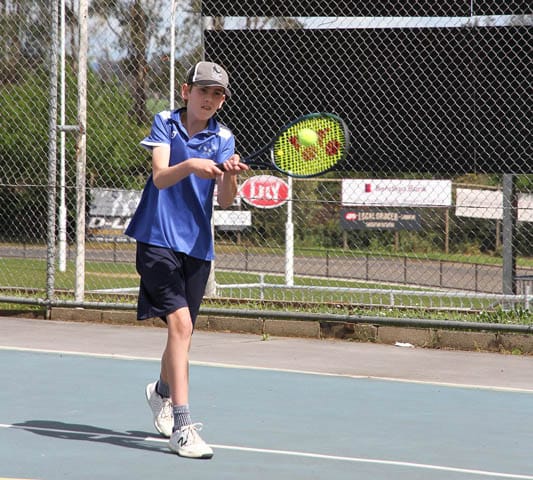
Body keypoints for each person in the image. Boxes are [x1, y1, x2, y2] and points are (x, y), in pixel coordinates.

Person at [125, 61, 248, 459]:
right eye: (202, 91)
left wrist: (229, 174)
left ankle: (161, 391)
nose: (208, 99)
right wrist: (193, 165)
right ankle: (182, 426)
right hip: (156, 238)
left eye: (217, 94)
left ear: (222, 101)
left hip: (197, 246)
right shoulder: (165, 122)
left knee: (183, 332)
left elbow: (225, 200)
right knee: (180, 325)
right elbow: (160, 177)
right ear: (186, 91)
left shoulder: (224, 138)